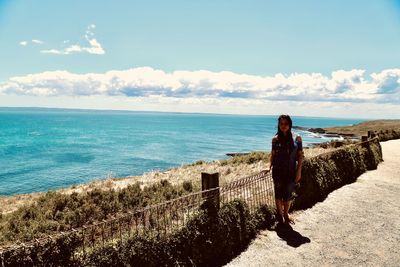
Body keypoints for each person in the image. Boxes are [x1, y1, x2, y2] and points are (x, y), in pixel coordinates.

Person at [268, 114, 304, 225]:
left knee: (288, 196)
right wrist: (268, 166)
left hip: (290, 172)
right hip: (277, 171)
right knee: (278, 195)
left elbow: (300, 156)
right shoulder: (275, 139)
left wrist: (299, 171)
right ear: (278, 125)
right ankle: (280, 215)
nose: (283, 126)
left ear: (290, 125)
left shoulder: (297, 139)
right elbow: (273, 155)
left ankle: (285, 214)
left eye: (286, 124)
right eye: (281, 124)